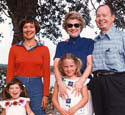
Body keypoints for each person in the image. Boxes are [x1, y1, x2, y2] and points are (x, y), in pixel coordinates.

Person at [6, 16, 50, 115]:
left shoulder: (44, 49)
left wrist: (45, 95)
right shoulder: (14, 49)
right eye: (25, 27)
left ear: (36, 29)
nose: (28, 29)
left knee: (37, 112)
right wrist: (8, 92)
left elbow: (47, 74)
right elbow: (10, 72)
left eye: (31, 26)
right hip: (18, 86)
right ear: (22, 30)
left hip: (37, 87)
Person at [91, 4, 125, 115]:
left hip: (117, 84)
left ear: (113, 17)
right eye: (98, 16)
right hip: (97, 85)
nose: (101, 19)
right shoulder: (93, 42)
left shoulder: (122, 37)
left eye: (104, 15)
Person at [54, 11, 94, 99]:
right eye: (70, 25)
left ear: (81, 26)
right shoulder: (61, 45)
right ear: (66, 27)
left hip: (85, 85)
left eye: (76, 25)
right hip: (65, 87)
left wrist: (81, 81)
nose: (73, 28)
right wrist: (60, 84)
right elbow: (56, 66)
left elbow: (89, 64)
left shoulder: (89, 42)